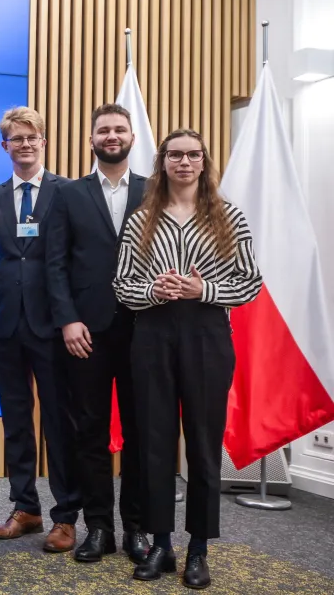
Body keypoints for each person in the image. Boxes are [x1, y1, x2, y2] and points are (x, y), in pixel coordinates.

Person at [114, 129, 261, 589]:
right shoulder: (142, 220)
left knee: (201, 443)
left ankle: (199, 548)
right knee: (154, 444)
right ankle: (161, 543)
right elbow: (121, 285)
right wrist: (152, 290)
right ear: (162, 163)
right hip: (153, 335)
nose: (183, 162)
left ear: (204, 161)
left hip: (207, 335)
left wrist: (204, 289)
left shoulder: (228, 216)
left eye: (192, 155)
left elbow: (251, 281)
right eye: (174, 155)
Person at [45, 103, 150, 564]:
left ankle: (139, 530)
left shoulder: (155, 191)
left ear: (131, 137)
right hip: (84, 333)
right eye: (103, 130)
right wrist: (67, 319)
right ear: (91, 139)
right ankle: (99, 529)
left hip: (144, 331)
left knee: (141, 434)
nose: (111, 136)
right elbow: (55, 263)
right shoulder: (68, 194)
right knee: (88, 432)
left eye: (119, 129)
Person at [0, 106, 81, 553]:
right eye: (16, 139)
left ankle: (66, 516)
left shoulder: (69, 193)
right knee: (16, 422)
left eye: (32, 138)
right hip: (4, 323)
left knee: (60, 423)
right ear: (5, 147)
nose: (24, 145)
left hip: (53, 325)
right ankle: (26, 508)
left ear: (44, 142)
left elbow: (75, 259)